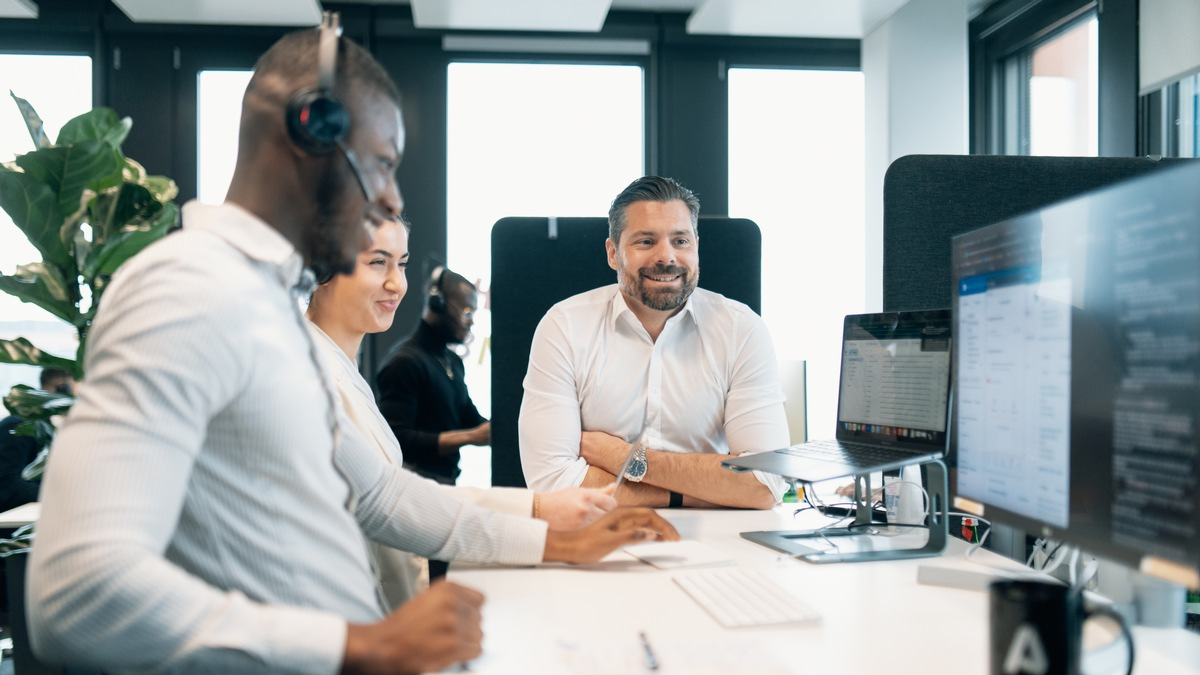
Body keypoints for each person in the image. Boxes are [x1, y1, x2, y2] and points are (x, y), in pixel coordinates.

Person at [27, 20, 677, 674]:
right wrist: (361, 644)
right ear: (313, 131)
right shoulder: (188, 289)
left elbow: (381, 496)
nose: (392, 195)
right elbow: (77, 589)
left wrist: (556, 540)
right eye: (384, 163)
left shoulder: (270, 311)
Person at [305, 215, 617, 608]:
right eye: (376, 262)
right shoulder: (315, 382)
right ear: (320, 267)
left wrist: (538, 507)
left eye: (401, 264)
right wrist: (544, 528)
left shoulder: (342, 369)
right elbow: (390, 504)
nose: (396, 283)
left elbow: (396, 494)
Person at [519, 175, 790, 510]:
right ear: (613, 253)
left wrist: (625, 458)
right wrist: (697, 491)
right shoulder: (564, 327)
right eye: (646, 242)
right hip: (597, 538)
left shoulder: (741, 329)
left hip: (721, 546)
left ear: (696, 247)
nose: (667, 257)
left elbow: (766, 482)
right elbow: (552, 481)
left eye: (680, 241)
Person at [375, 266, 487, 485]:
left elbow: (469, 418)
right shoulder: (405, 363)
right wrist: (472, 437)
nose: (471, 321)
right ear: (439, 304)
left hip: (444, 484)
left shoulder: (452, 361)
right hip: (414, 489)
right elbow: (397, 439)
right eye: (466, 312)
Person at [0, 368, 73, 513]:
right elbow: (7, 484)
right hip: (14, 529)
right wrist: (63, 497)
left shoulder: (53, 430)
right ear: (62, 389)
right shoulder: (20, 425)